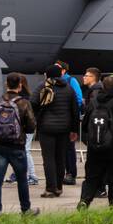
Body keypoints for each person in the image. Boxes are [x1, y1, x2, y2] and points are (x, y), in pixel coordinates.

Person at [77, 74, 113, 208]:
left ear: (103, 87)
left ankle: (84, 201)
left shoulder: (93, 103)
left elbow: (85, 126)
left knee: (91, 179)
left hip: (95, 150)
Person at [0, 73, 39, 219]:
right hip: (17, 146)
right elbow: (31, 126)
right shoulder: (23, 103)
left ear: (6, 84)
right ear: (20, 85)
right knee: (22, 179)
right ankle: (25, 210)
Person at [32, 65, 79, 198]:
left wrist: (38, 115)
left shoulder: (43, 86)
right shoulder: (69, 88)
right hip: (64, 129)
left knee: (48, 159)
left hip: (46, 128)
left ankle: (50, 188)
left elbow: (32, 102)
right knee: (60, 158)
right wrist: (74, 129)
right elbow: (75, 110)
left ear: (47, 74)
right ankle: (58, 187)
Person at [57, 61, 84, 186]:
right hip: (57, 120)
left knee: (69, 147)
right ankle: (61, 173)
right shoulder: (54, 82)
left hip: (67, 119)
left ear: (63, 70)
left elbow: (78, 99)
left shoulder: (71, 81)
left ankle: (71, 173)